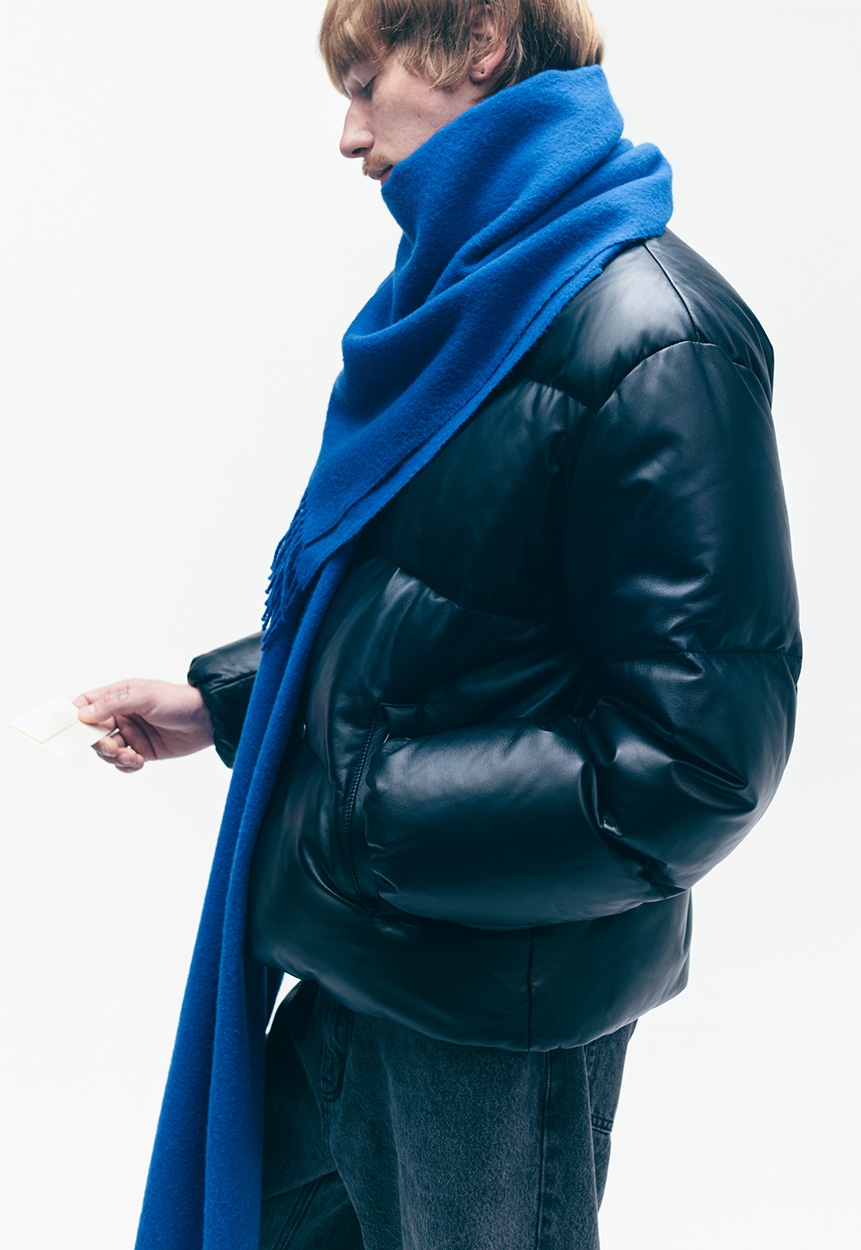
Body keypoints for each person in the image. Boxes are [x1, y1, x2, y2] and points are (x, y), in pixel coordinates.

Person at [76, 1, 801, 1246]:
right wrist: (228, 701)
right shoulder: (480, 305)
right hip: (360, 961)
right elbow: (444, 608)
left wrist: (364, 812)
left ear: (479, 39)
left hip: (489, 1009)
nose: (348, 136)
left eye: (365, 83)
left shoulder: (657, 339)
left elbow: (698, 761)